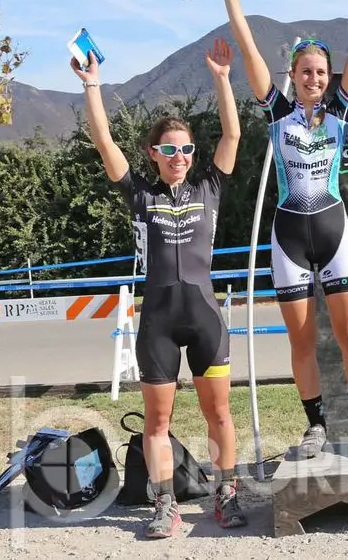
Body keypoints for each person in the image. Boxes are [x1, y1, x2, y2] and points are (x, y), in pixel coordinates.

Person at [72, 38, 245, 537]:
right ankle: (164, 504)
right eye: (169, 149)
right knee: (157, 422)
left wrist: (221, 79)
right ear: (154, 153)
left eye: (186, 149)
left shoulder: (209, 187)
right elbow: (105, 141)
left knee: (219, 414)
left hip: (206, 316)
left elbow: (232, 134)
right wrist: (93, 86)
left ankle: (226, 493)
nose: (180, 156)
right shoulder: (140, 192)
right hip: (159, 323)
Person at [220, 0, 348, 458]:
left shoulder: (340, 112)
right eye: (305, 71)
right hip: (288, 236)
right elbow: (249, 53)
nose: (313, 78)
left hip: (335, 231)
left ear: (329, 79)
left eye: (320, 72)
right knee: (302, 341)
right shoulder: (278, 113)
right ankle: (316, 426)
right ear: (292, 75)